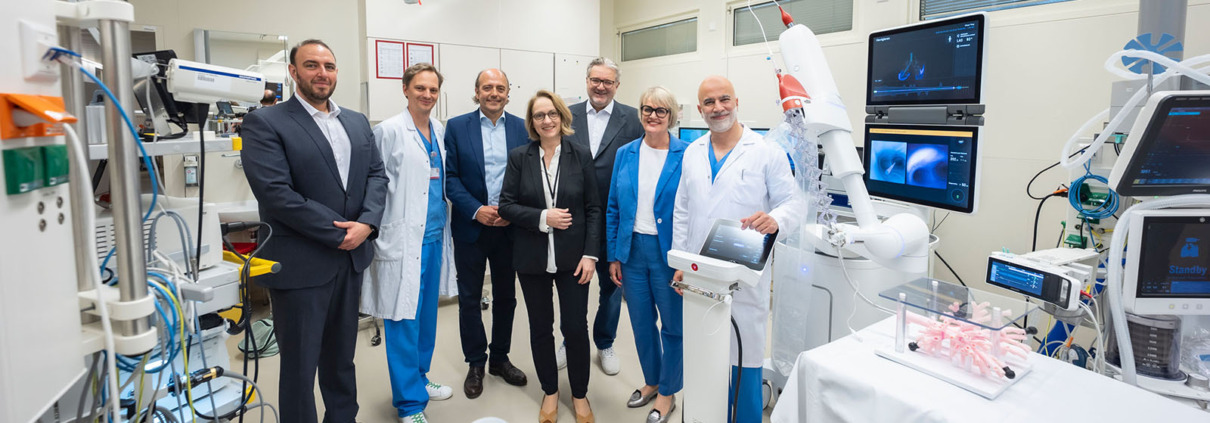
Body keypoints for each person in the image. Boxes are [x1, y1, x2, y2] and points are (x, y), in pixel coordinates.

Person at [241, 39, 387, 423]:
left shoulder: (355, 121)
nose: (322, 73)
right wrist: (340, 232)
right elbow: (276, 194)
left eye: (329, 66)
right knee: (300, 367)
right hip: (301, 264)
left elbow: (376, 175)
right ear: (293, 72)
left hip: (351, 260)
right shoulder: (265, 122)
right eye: (311, 65)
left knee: (342, 359)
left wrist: (368, 224)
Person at [671, 76, 803, 423]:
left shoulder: (766, 152)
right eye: (709, 103)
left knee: (742, 366)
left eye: (723, 99)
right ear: (699, 110)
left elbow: (793, 203)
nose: (718, 108)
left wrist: (775, 219)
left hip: (744, 278)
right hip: (700, 276)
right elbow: (682, 209)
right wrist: (680, 261)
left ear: (736, 101)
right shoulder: (693, 152)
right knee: (704, 363)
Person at [361, 63, 458, 423]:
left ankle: (420, 378)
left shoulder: (439, 129)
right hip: (401, 241)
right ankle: (409, 405)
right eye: (420, 88)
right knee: (402, 319)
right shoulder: (388, 131)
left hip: (433, 238)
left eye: (433, 90)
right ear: (405, 89)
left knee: (426, 319)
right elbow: (371, 184)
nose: (427, 95)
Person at [499, 90, 601, 423]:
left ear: (562, 117)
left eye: (552, 113)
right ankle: (550, 392)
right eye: (539, 115)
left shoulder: (581, 154)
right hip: (532, 259)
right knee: (541, 327)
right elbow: (506, 206)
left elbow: (593, 208)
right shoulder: (519, 156)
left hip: (575, 260)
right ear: (532, 122)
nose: (547, 120)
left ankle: (580, 395)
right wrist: (544, 217)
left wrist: (590, 254)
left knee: (575, 327)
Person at [443, 68, 530, 398]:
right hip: (471, 226)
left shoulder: (523, 129)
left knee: (507, 297)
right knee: (469, 298)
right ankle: (476, 362)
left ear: (508, 93)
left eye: (500, 88)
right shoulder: (456, 127)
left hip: (509, 229)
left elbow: (530, 178)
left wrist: (512, 211)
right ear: (476, 92)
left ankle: (500, 359)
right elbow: (451, 178)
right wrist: (477, 210)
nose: (494, 93)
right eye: (487, 87)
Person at [605, 86, 688, 423]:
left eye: (660, 110)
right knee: (641, 324)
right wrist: (614, 255)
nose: (652, 115)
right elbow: (613, 207)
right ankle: (652, 381)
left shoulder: (687, 153)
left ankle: (668, 393)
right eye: (646, 109)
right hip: (632, 252)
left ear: (672, 115)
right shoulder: (626, 153)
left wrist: (686, 260)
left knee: (673, 327)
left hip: (668, 253)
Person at [562, 57, 644, 375]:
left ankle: (604, 341)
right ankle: (570, 339)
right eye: (596, 80)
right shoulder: (566, 116)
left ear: (616, 86)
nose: (601, 86)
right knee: (573, 285)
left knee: (612, 287)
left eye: (607, 81)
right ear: (587, 81)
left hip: (613, 219)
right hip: (575, 219)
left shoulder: (634, 120)